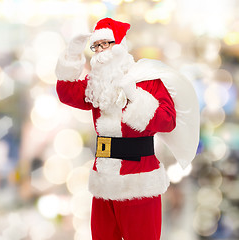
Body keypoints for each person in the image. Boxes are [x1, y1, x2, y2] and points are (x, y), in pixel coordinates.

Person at [55, 18, 200, 240]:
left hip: (139, 182)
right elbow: (66, 93)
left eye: (106, 44)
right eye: (96, 46)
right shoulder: (96, 85)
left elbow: (168, 121)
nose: (101, 51)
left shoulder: (147, 80)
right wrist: (73, 54)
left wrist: (136, 97)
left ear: (120, 45)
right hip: (103, 180)